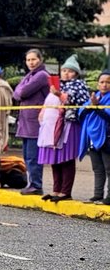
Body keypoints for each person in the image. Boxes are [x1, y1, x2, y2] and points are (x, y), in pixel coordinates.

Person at [37, 56, 88, 201]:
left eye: (70, 71)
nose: (66, 73)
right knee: (55, 159)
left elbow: (78, 102)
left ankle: (66, 191)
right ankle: (56, 190)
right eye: (64, 70)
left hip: (69, 125)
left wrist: (59, 94)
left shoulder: (79, 85)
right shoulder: (57, 85)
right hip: (52, 128)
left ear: (76, 73)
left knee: (66, 159)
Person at [12, 48, 50, 195]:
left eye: (33, 59)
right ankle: (31, 183)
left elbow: (22, 92)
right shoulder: (29, 75)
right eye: (28, 60)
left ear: (40, 59)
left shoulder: (41, 75)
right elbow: (16, 94)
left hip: (35, 122)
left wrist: (20, 92)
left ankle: (36, 185)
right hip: (26, 122)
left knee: (33, 156)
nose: (31, 62)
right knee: (27, 156)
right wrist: (20, 91)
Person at [78, 71, 110, 204]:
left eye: (108, 82)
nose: (104, 85)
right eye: (102, 82)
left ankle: (109, 197)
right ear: (97, 84)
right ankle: (97, 194)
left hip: (106, 137)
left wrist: (96, 107)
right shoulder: (94, 97)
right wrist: (92, 105)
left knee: (109, 169)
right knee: (97, 168)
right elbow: (81, 113)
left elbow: (108, 116)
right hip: (92, 137)